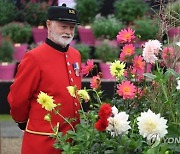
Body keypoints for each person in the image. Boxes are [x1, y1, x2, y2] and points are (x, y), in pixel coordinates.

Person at [8, 3, 81, 154]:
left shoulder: (75, 55)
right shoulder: (34, 57)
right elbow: (18, 98)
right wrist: (23, 122)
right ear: (49, 25)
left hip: (73, 140)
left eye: (71, 27)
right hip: (43, 142)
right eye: (63, 26)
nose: (68, 31)